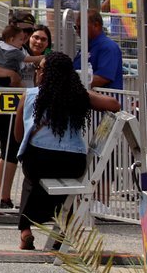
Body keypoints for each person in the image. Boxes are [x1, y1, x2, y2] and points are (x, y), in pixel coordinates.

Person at [13, 54, 122, 251]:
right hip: (73, 162)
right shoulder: (78, 96)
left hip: (39, 161)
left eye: (39, 68)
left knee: (31, 182)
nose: (37, 71)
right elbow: (114, 104)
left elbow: (18, 136)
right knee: (66, 192)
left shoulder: (29, 95)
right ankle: (62, 233)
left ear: (45, 73)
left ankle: (26, 231)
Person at [0, 19, 33, 209]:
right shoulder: (3, 45)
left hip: (22, 102)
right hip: (2, 99)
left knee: (10, 147)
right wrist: (10, 74)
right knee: (10, 146)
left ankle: (1, 196)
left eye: (30, 31)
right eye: (23, 31)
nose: (26, 36)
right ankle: (2, 197)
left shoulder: (26, 49)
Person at [86, 12, 124, 90]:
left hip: (103, 99)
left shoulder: (108, 47)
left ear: (96, 25)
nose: (78, 31)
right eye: (76, 27)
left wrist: (74, 82)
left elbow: (103, 77)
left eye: (81, 27)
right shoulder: (88, 46)